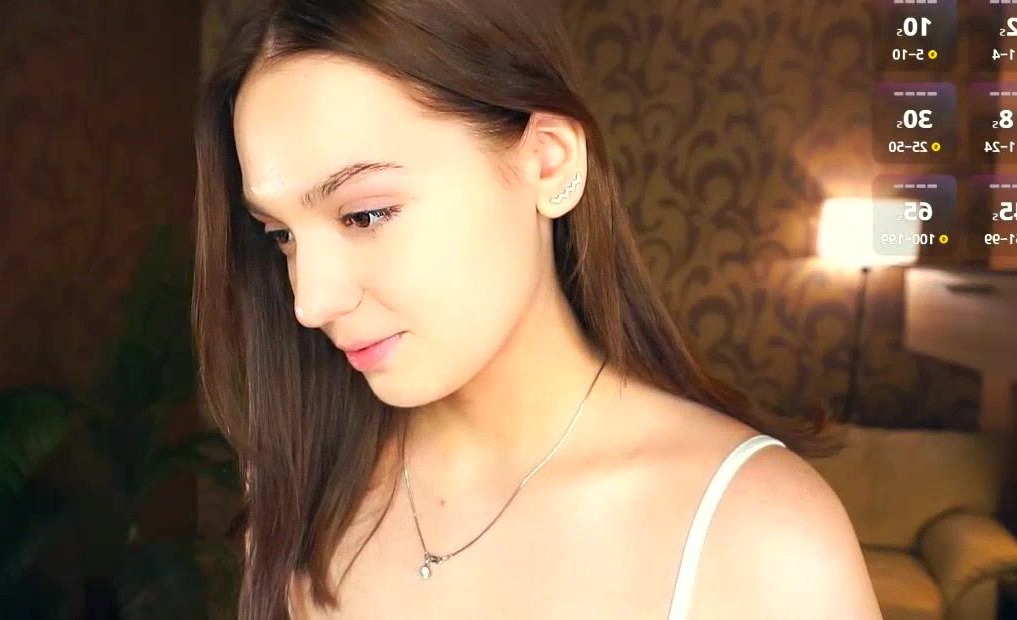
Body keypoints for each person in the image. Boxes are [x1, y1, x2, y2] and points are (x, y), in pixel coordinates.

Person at [192, 1, 882, 618]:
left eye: (366, 214)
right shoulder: (305, 488)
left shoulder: (758, 536)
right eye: (280, 236)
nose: (311, 302)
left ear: (549, 164)